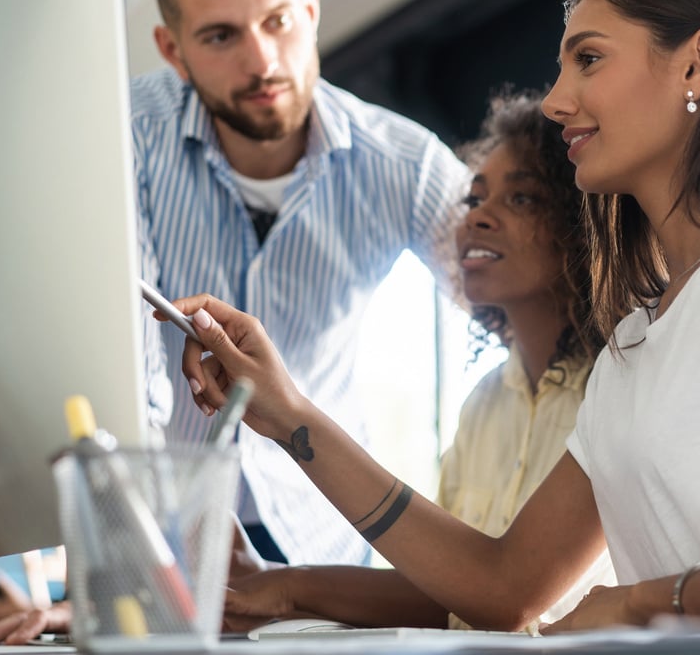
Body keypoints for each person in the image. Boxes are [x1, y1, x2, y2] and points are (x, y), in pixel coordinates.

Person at [173, 0, 700, 632]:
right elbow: (501, 583)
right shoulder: (635, 351)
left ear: (697, 60)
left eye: (589, 58)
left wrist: (643, 602)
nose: (555, 101)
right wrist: (286, 414)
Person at [0, 0, 467, 646]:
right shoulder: (118, 138)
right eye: (222, 36)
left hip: (329, 565)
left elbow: (516, 314)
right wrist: (120, 591)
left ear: (310, 7)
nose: (263, 59)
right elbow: (121, 375)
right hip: (157, 555)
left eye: (278, 22)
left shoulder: (407, 165)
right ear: (173, 50)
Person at [220, 91, 614, 634]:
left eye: (521, 199)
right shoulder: (485, 404)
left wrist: (288, 413)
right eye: (473, 200)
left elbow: (504, 596)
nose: (478, 218)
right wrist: (274, 585)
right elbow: (446, 591)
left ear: (581, 224)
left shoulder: (615, 389)